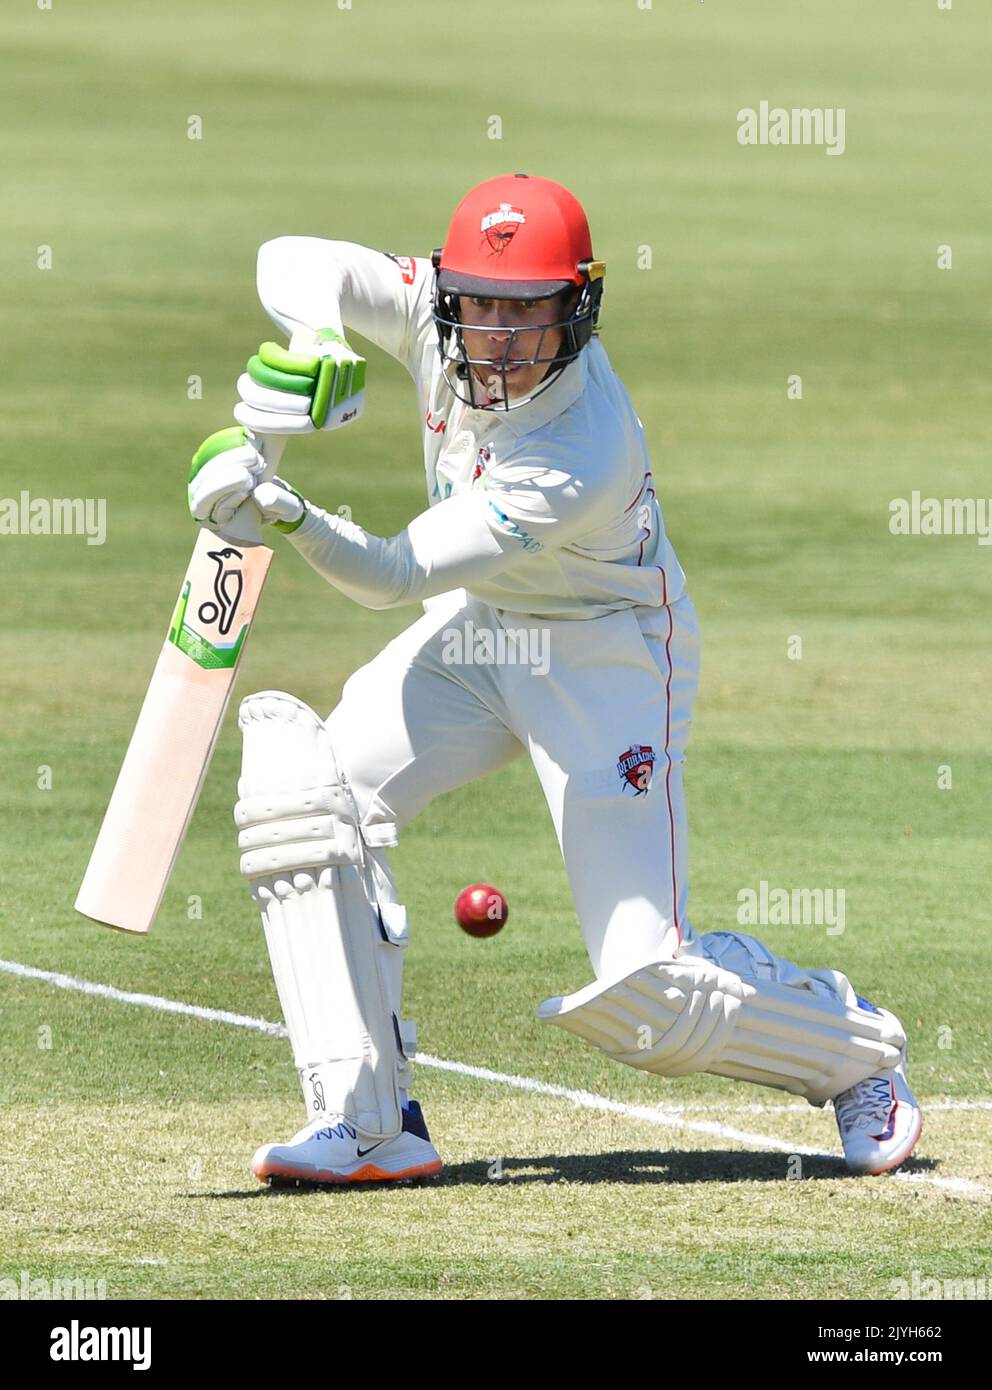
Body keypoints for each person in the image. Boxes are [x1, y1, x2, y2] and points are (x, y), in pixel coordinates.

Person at [188, 174, 922, 1184]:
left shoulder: (582, 442)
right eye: (480, 306)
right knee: (311, 800)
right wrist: (315, 342)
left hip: (604, 657)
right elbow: (290, 258)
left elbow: (394, 574)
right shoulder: (427, 315)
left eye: (528, 312)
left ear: (575, 310)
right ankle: (368, 1122)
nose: (498, 337)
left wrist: (281, 509)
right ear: (446, 294)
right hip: (484, 633)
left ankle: (855, 1052)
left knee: (649, 992)